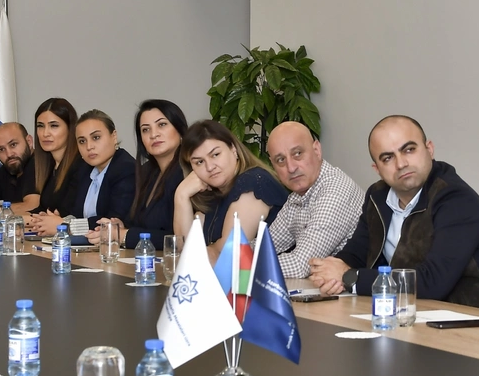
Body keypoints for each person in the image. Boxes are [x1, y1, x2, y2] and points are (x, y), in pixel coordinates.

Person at [310, 115, 479, 310]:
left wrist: (350, 277)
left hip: (470, 315)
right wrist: (330, 272)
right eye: (388, 158)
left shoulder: (456, 199)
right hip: (408, 311)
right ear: (377, 169)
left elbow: (432, 282)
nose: (401, 164)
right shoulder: (377, 196)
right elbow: (356, 253)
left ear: (429, 149)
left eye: (409, 150)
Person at [173, 120, 288, 263]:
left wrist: (195, 253)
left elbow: (226, 255)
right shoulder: (214, 193)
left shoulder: (254, 181)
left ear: (233, 149)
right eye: (199, 162)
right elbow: (183, 248)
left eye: (215, 155)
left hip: (283, 275)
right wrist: (181, 195)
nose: (210, 167)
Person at [266, 121, 363, 279]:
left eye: (297, 153)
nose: (291, 168)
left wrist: (242, 268)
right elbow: (264, 246)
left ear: (317, 150)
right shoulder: (297, 196)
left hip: (361, 290)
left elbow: (300, 265)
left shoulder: (336, 189)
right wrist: (235, 258)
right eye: (280, 160)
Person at [89, 100, 187, 251]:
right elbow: (140, 223)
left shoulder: (189, 172)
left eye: (162, 125)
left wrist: (123, 235)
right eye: (145, 130)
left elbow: (179, 238)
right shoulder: (146, 171)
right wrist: (120, 227)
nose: (154, 134)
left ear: (180, 129)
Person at [27, 98, 89, 236]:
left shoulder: (81, 165)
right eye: (40, 126)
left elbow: (69, 215)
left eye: (54, 126)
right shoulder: (48, 165)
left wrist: (13, 220)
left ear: (70, 129)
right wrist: (5, 217)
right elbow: (42, 211)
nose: (45, 133)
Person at [68, 110, 137, 229]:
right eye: (82, 141)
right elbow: (75, 212)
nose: (89, 147)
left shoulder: (126, 169)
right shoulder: (84, 169)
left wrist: (66, 225)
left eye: (96, 137)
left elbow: (113, 220)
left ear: (114, 136)